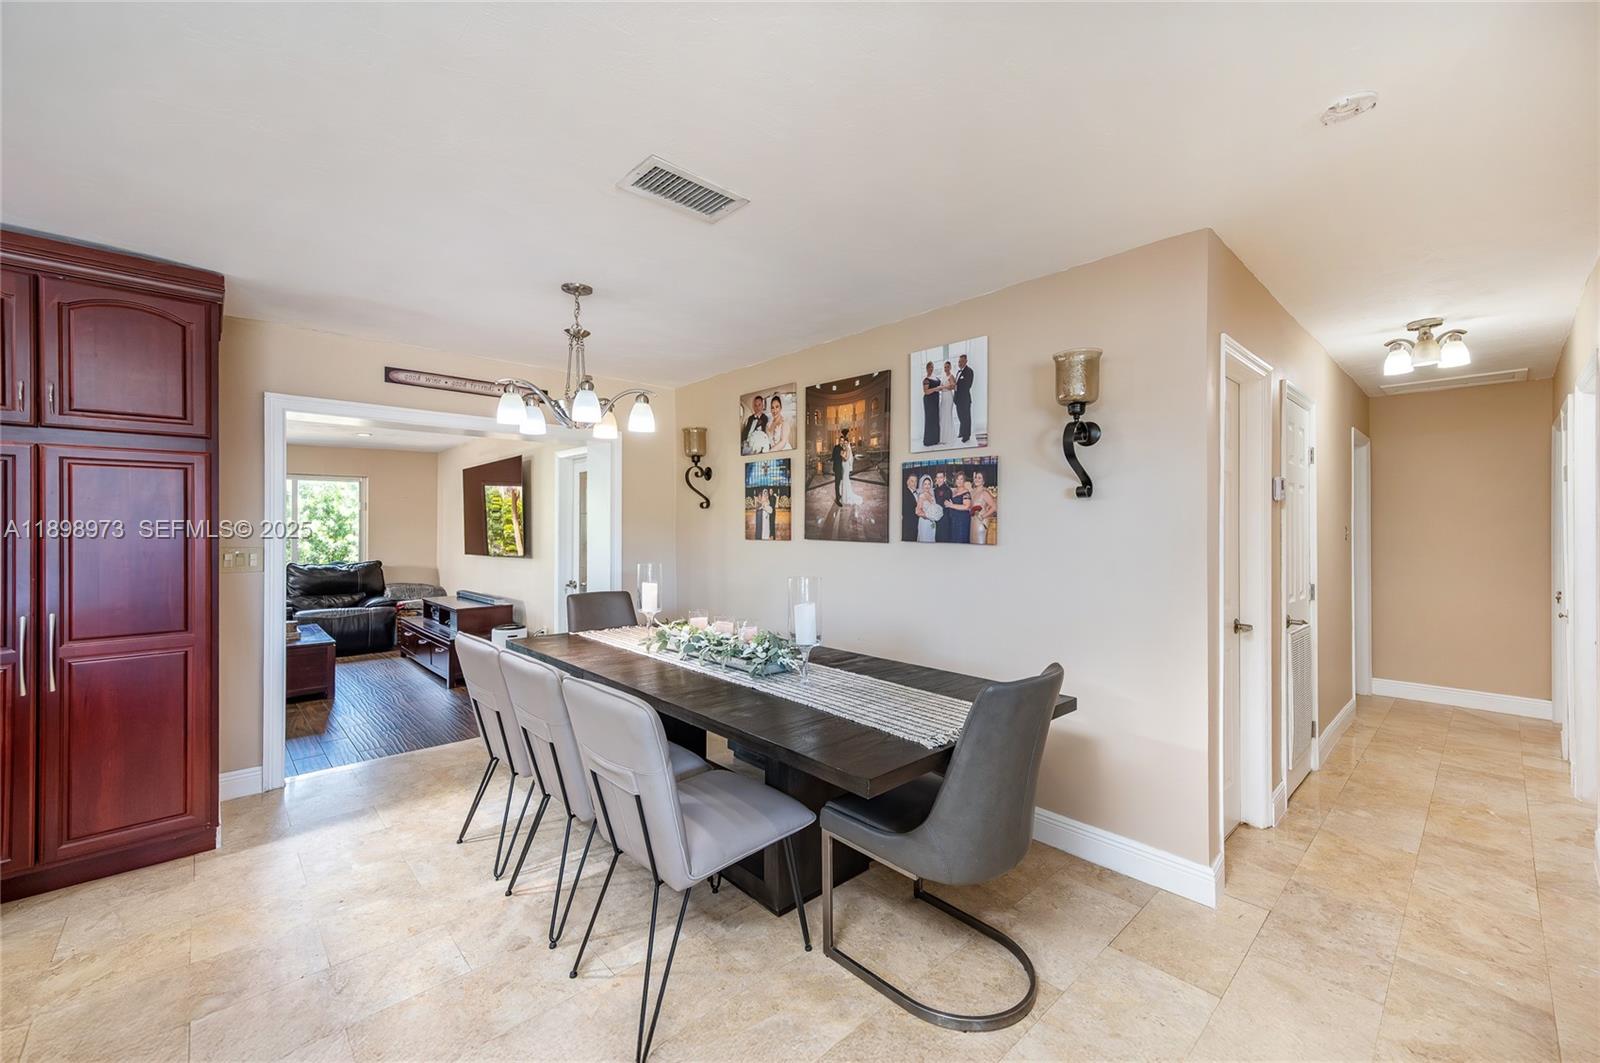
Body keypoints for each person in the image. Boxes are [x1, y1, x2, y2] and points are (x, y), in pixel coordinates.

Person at [946, 470, 973, 544]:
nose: (959, 481)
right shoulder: (954, 491)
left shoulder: (966, 492)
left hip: (962, 521)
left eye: (961, 479)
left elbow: (966, 506)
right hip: (954, 520)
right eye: (957, 479)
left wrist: (951, 505)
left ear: (964, 481)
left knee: (960, 541)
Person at [971, 469, 997, 544]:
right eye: (976, 477)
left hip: (981, 522)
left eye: (979, 478)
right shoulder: (972, 492)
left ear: (983, 481)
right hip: (972, 522)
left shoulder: (984, 492)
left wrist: (983, 516)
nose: (977, 479)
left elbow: (994, 507)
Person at [954, 353, 974, 444]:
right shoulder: (958, 372)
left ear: (966, 361)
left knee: (966, 417)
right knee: (960, 417)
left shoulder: (969, 371)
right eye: (959, 361)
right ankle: (962, 432)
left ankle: (966, 436)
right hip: (958, 400)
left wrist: (957, 386)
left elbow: (967, 385)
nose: (960, 363)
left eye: (962, 361)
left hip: (965, 399)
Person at [921, 361, 942, 447]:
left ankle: (935, 439)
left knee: (935, 418)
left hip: (935, 400)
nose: (931, 368)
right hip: (929, 401)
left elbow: (939, 387)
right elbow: (926, 391)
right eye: (930, 367)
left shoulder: (936, 378)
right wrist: (936, 389)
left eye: (932, 367)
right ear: (927, 368)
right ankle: (929, 440)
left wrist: (939, 388)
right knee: (930, 419)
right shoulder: (926, 380)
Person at [914, 475, 941, 543]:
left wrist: (935, 515)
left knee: (931, 539)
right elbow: (917, 511)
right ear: (922, 485)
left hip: (932, 523)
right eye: (925, 484)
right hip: (924, 522)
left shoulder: (932, 495)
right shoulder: (921, 496)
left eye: (929, 484)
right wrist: (928, 516)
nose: (927, 486)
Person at [839, 429, 862, 506]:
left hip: (846, 467)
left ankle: (846, 498)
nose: (845, 444)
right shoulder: (844, 449)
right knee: (844, 481)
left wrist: (842, 455)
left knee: (845, 480)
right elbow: (842, 458)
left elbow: (846, 458)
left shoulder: (848, 449)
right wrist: (842, 455)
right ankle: (843, 496)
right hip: (843, 466)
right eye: (844, 443)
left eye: (846, 443)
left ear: (848, 443)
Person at [939, 361, 958, 446]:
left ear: (950, 367)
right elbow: (940, 387)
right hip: (943, 397)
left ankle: (948, 438)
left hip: (948, 397)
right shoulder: (943, 376)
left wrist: (943, 387)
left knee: (947, 416)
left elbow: (953, 386)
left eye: (947, 367)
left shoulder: (951, 376)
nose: (946, 368)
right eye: (945, 367)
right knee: (942, 416)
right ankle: (943, 437)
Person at [933, 469, 953, 542]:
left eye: (941, 477)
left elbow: (945, 505)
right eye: (937, 477)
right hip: (936, 519)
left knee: (943, 539)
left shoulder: (948, 490)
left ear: (944, 478)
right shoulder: (934, 490)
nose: (939, 479)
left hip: (944, 519)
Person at [901, 472, 920, 542]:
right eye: (912, 481)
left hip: (916, 524)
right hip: (908, 526)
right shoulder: (904, 493)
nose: (914, 483)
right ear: (907, 482)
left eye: (916, 481)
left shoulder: (917, 493)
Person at [830, 429, 846, 505]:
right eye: (841, 440)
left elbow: (843, 459)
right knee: (837, 483)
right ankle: (837, 499)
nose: (841, 442)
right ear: (839, 441)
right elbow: (833, 457)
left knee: (839, 482)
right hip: (837, 468)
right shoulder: (836, 447)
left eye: (843, 441)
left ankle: (839, 495)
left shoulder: (843, 448)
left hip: (841, 468)